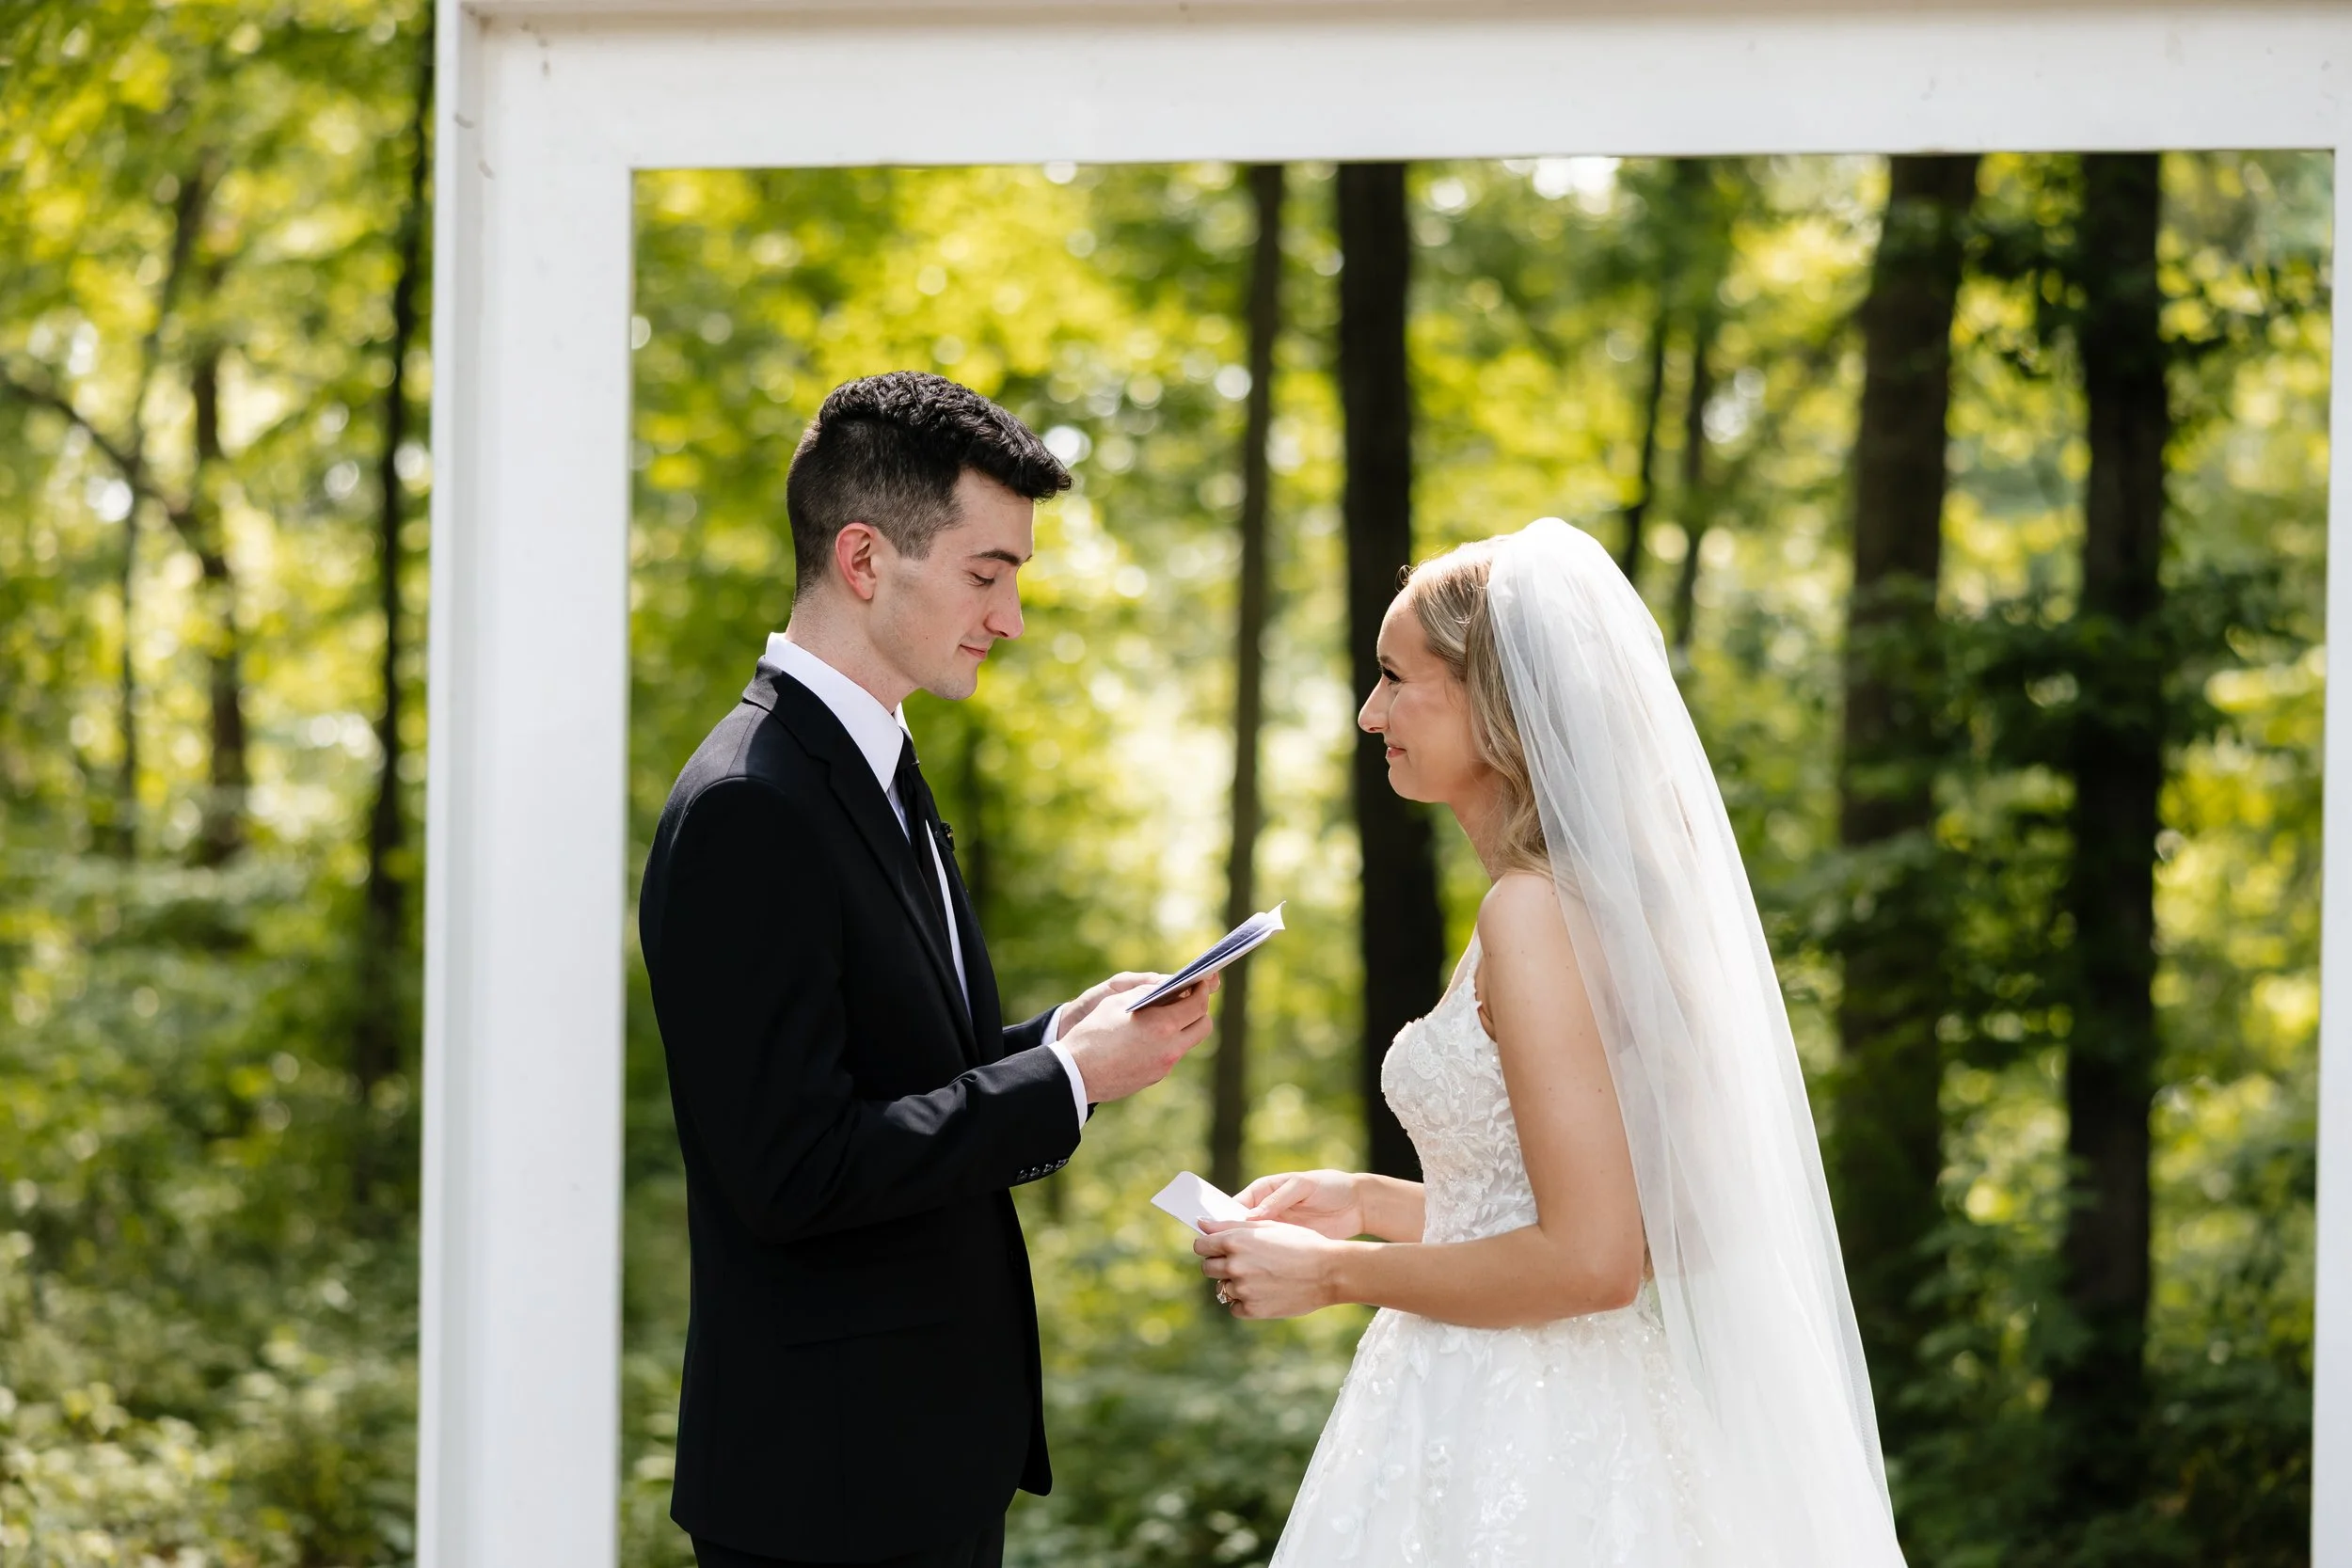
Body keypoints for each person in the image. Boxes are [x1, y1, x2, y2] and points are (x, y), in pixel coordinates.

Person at [1196, 519, 1907, 1565]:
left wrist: (1334, 1273)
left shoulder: (1531, 916)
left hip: (1519, 1432)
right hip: (1553, 1401)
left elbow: (1592, 1260)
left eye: (1396, 678)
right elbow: (1645, 1222)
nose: (1368, 711)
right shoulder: (1585, 909)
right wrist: (1371, 1201)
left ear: (1497, 702)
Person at [638, 372, 1217, 1568]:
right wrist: (1060, 1081)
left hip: (915, 1463)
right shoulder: (754, 803)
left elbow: (905, 1077)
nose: (1008, 616)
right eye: (985, 573)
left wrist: (1069, 1039)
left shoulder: (873, 767)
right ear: (863, 558)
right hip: (826, 1492)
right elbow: (791, 1169)